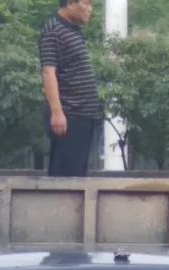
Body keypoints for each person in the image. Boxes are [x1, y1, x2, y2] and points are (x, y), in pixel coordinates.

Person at [38, 0, 101, 177]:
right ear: (70, 3)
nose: (90, 9)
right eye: (87, 4)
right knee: (65, 178)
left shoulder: (73, 30)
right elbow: (48, 72)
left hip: (83, 115)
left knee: (78, 176)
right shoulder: (53, 30)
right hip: (69, 115)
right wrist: (57, 113)